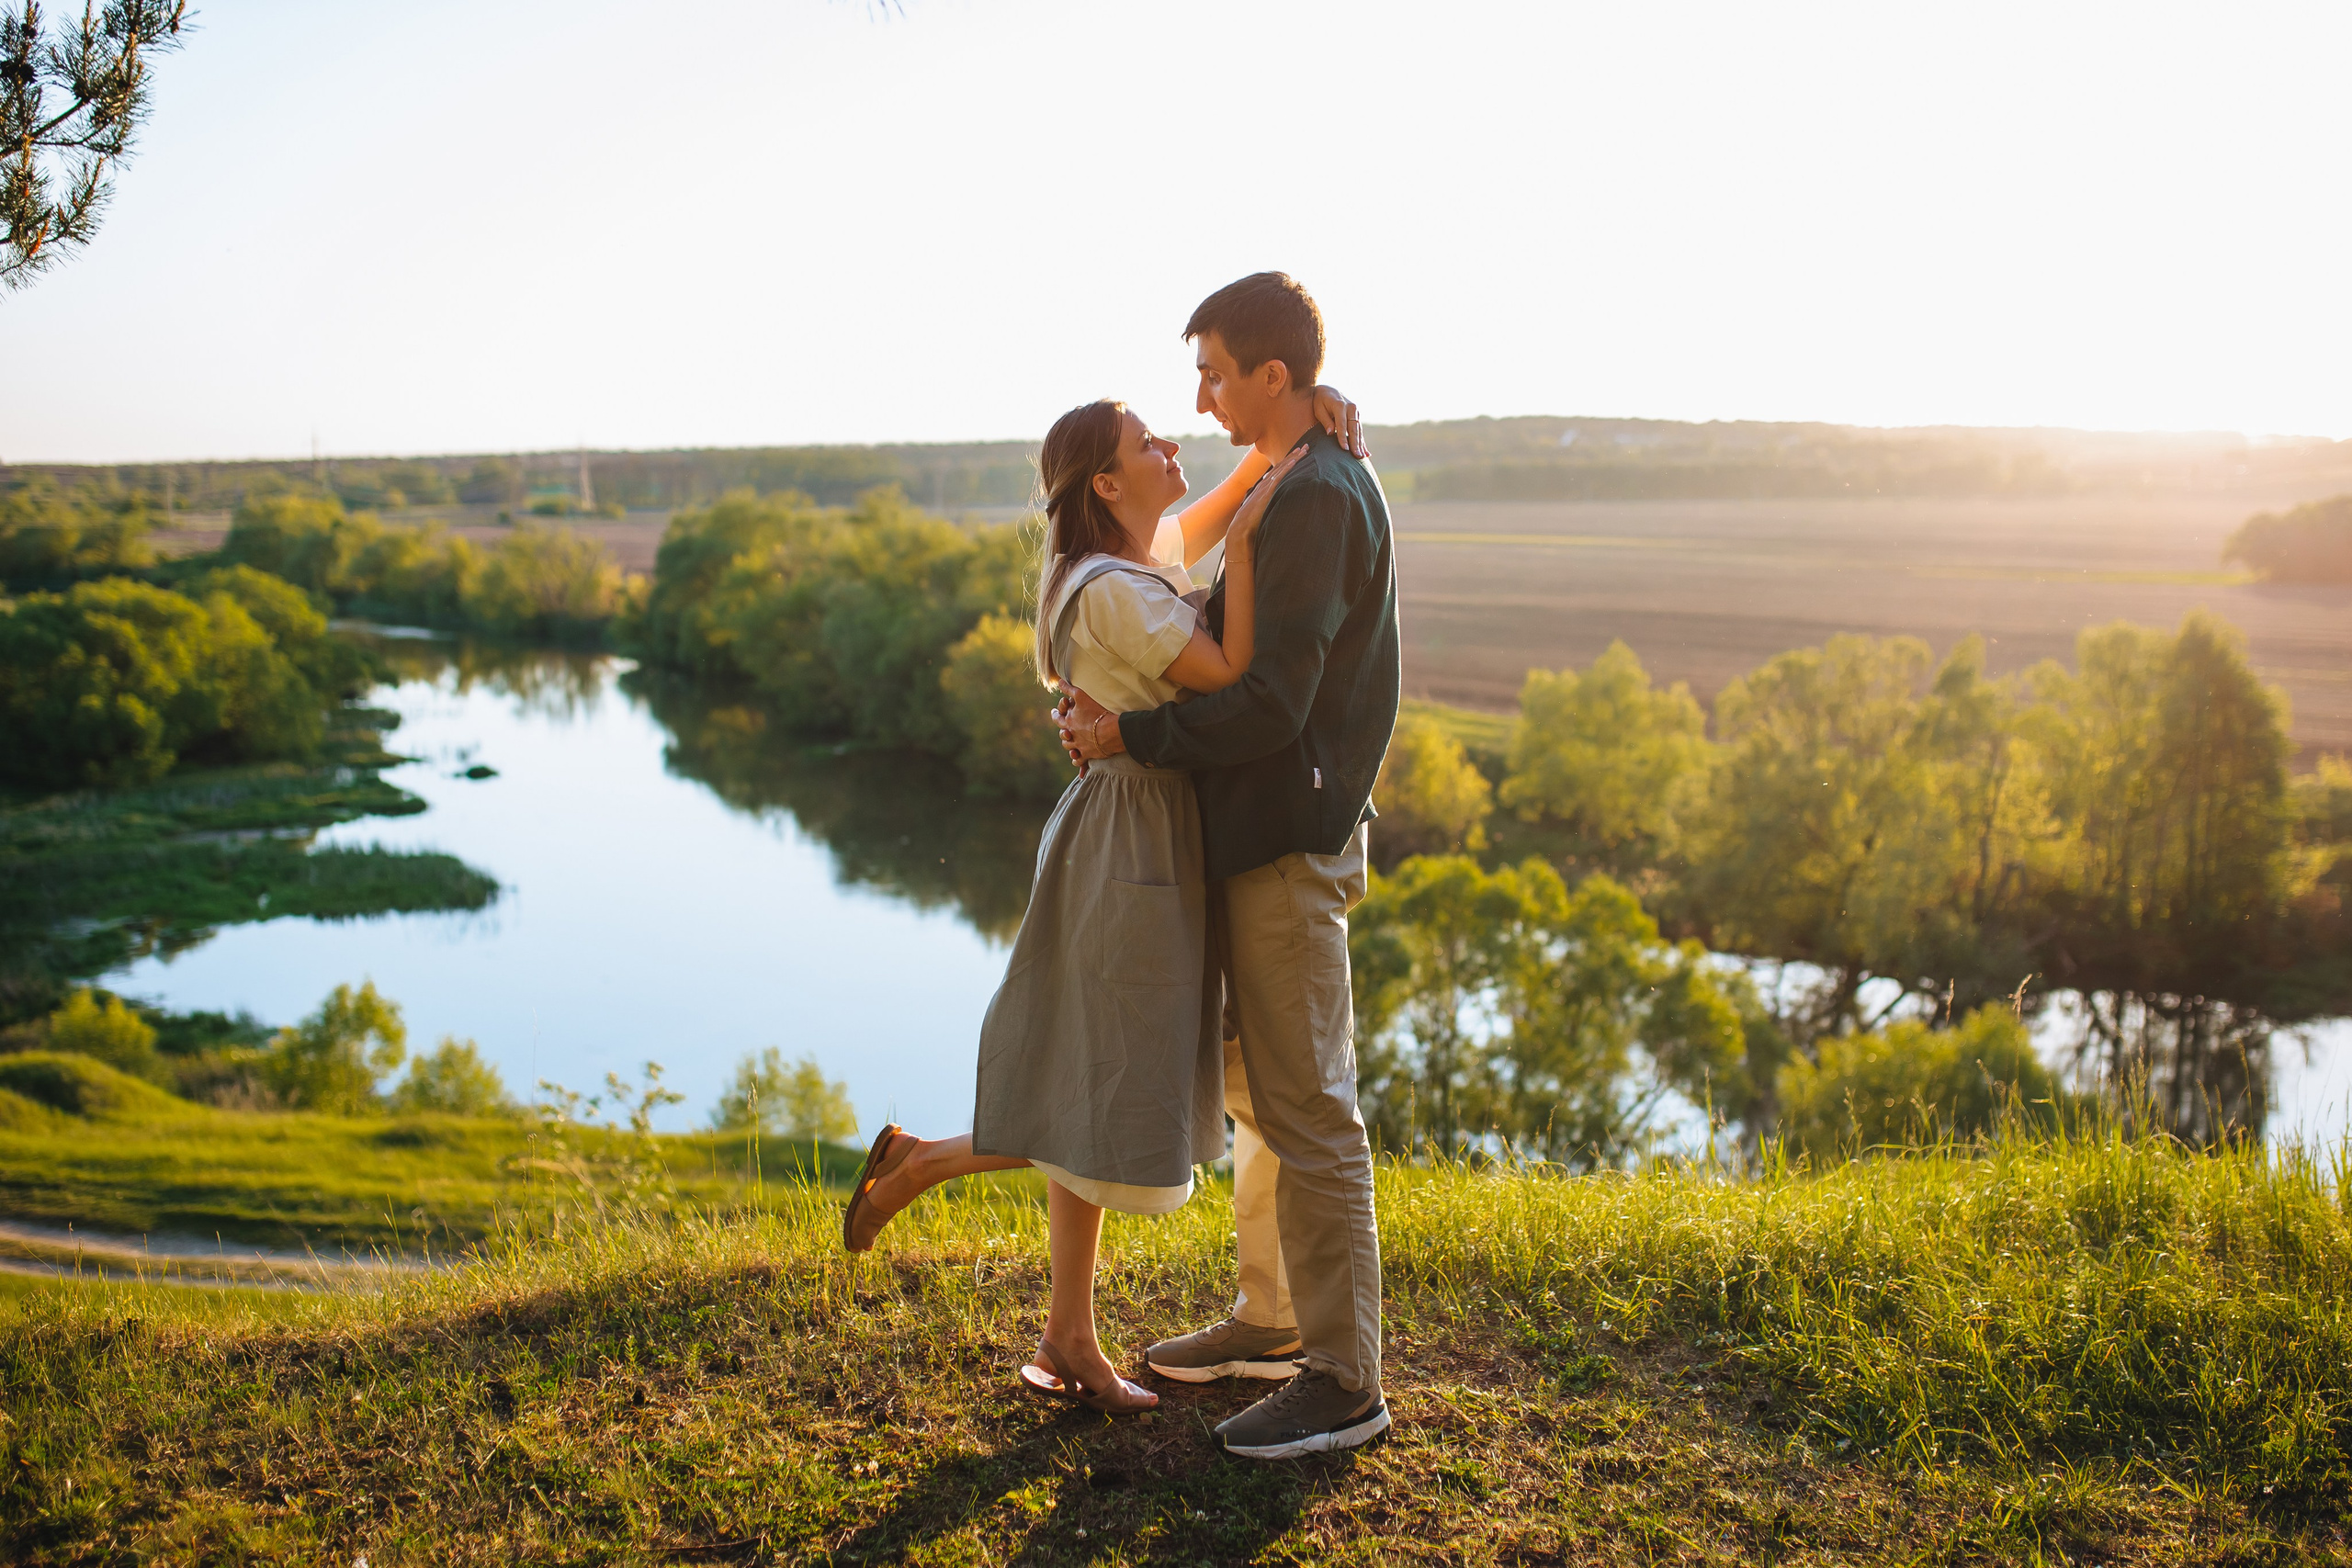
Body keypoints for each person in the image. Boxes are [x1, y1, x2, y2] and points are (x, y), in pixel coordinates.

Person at [839, 383, 1367, 1417]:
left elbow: (1225, 499)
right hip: (1132, 838)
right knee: (1109, 1072)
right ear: (1106, 481)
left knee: (1107, 1064)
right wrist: (1256, 550)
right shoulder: (1115, 591)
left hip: (1153, 830)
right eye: (1146, 440)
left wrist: (1298, 429)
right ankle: (916, 1168)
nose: (1172, 441)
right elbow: (1223, 670)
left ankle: (1067, 1336)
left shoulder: (1133, 559)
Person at [1057, 271, 1399, 1461]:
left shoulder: (1315, 499)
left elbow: (1268, 702)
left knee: (1310, 1106)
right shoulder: (1290, 482)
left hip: (1288, 839)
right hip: (1243, 836)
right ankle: (1270, 1319)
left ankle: (1346, 1376)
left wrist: (1126, 731)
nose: (1198, 399)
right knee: (1262, 1093)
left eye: (1212, 372)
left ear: (1271, 374)